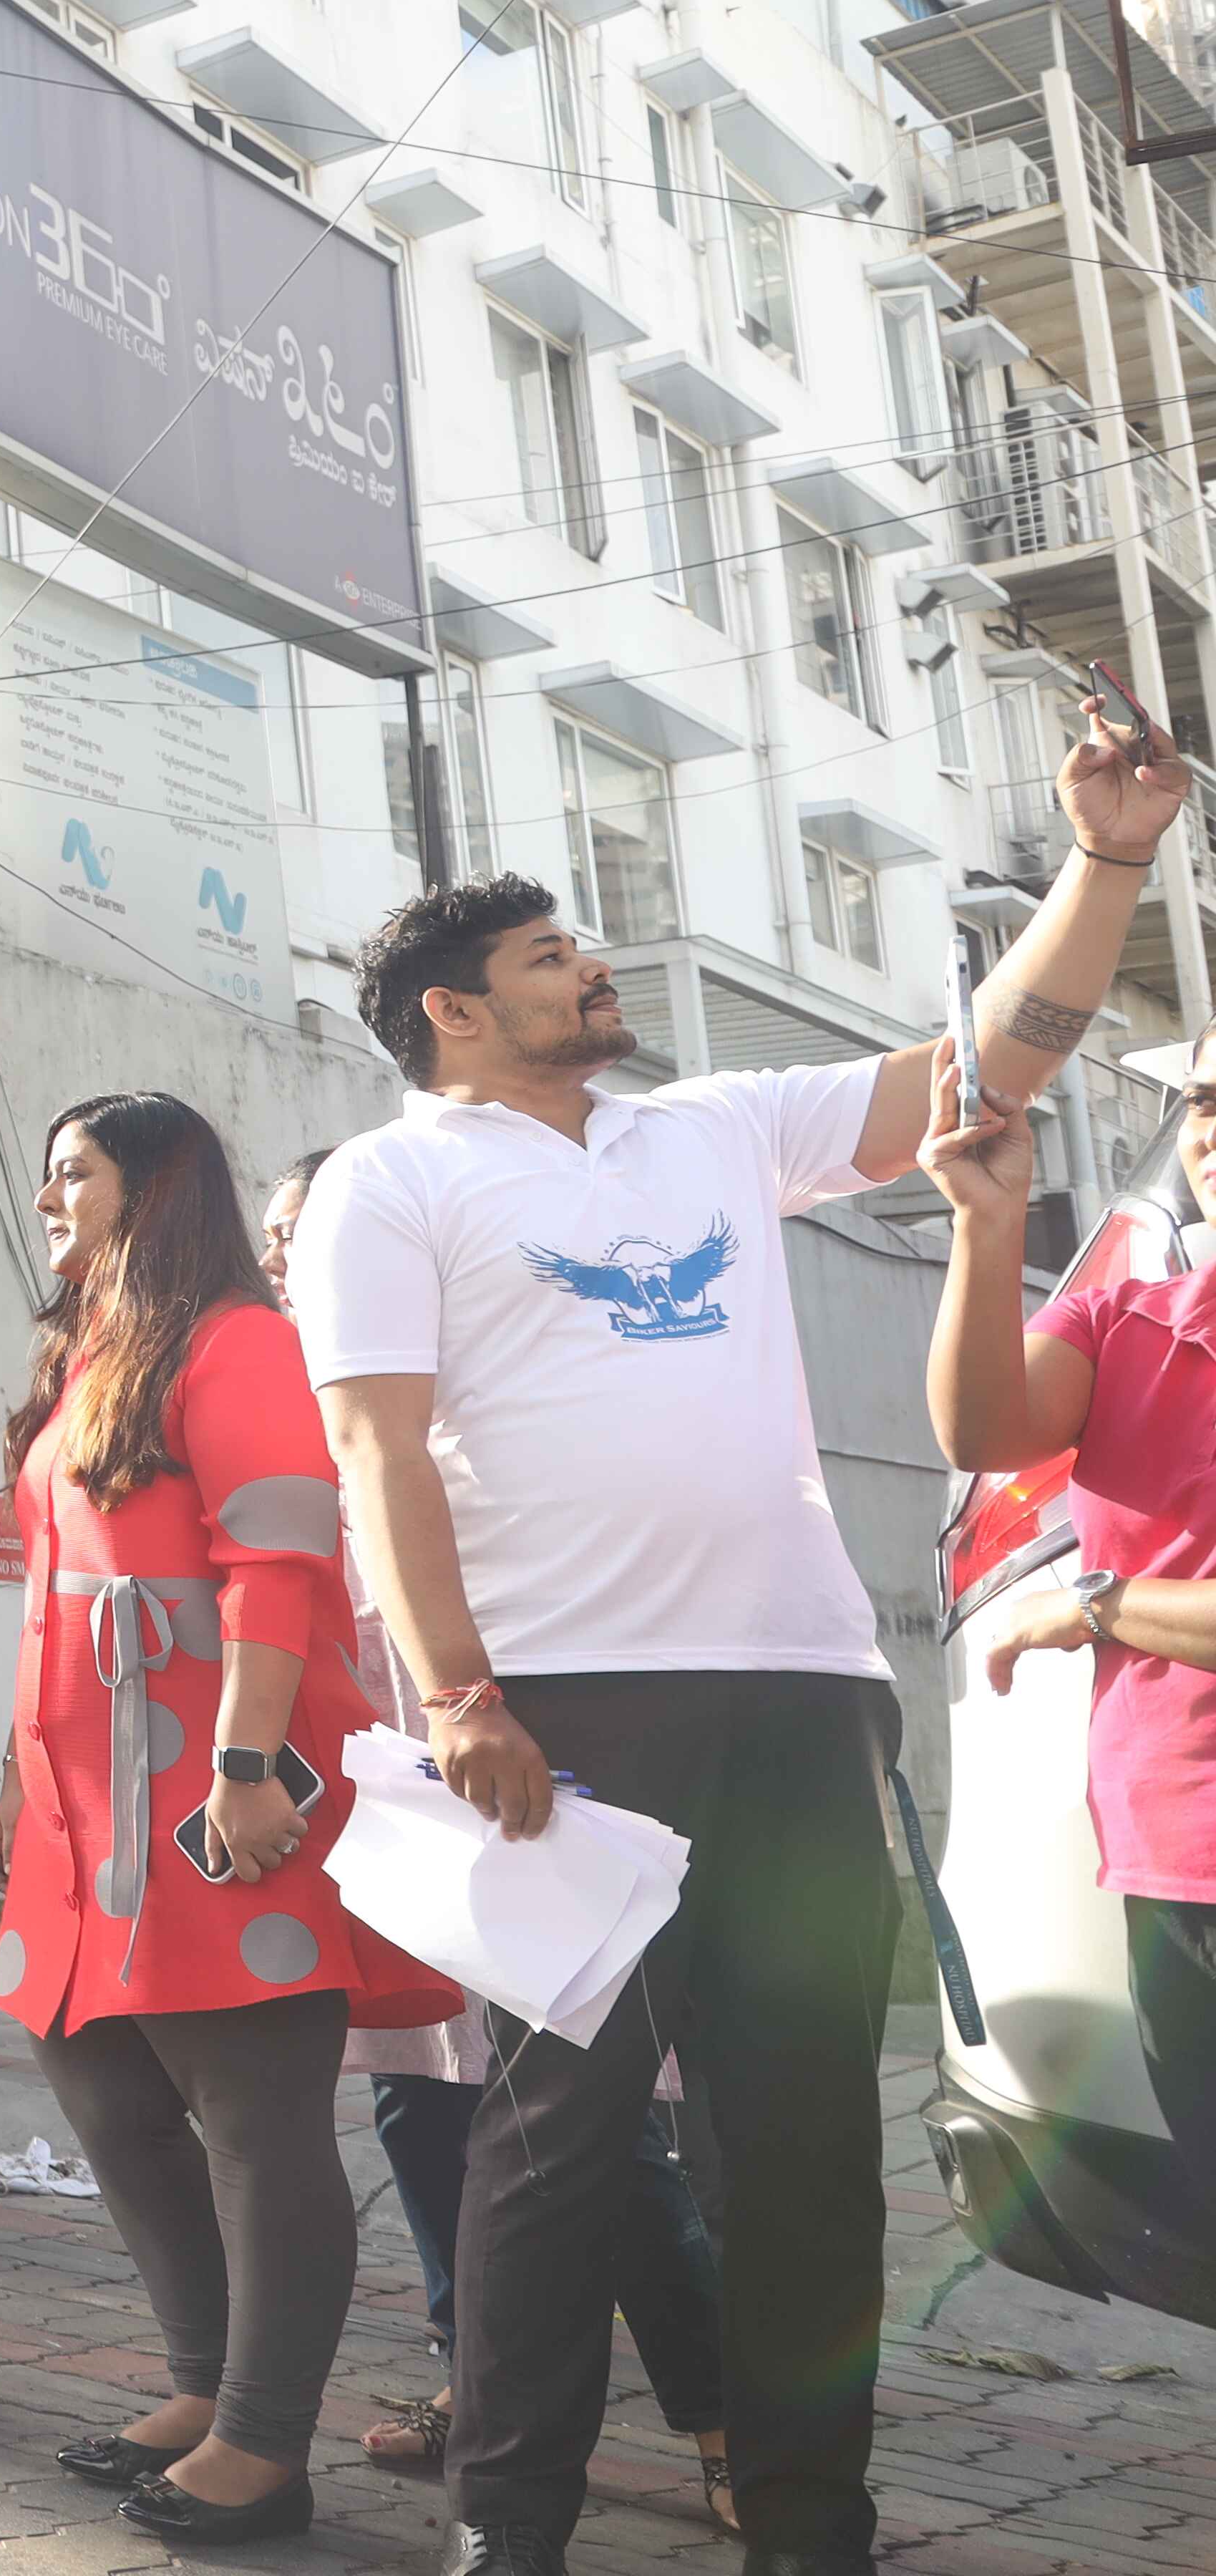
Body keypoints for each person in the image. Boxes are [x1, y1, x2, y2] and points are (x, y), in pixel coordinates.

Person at [296, 718, 1176, 2576]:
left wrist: (1106, 863)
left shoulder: (711, 1131)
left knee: (801, 2153)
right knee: (559, 2146)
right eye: (549, 957)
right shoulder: (397, 1184)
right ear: (453, 1014)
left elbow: (989, 1062)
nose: (592, 967)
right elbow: (377, 1449)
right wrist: (458, 1694)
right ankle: (508, 2532)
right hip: (566, 1716)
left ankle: (809, 2529)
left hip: (795, 1688)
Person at [0, 1095, 457, 2547]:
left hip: (212, 1782)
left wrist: (248, 1761)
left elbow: (277, 1559)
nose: (51, 1191)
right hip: (83, 1794)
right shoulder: (93, 1350)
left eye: (75, 1168)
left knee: (254, 2108)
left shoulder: (237, 1340)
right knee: (100, 2080)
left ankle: (265, 2439)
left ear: (155, 1186)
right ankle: (202, 2382)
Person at [270, 1151, 735, 2517]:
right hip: (395, 1816)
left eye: (306, 1232)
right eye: (277, 1241)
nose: (294, 1259)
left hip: (518, 1789)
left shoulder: (447, 1393)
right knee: (421, 2106)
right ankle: (478, 2375)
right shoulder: (291, 1405)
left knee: (590, 2138)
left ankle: (724, 2425)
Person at [923, 1048, 1216, 2206]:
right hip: (1178, 1847)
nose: (1211, 1127)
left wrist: (1096, 1605)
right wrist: (984, 1229)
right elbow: (982, 1428)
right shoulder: (1126, 1320)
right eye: (1201, 1101)